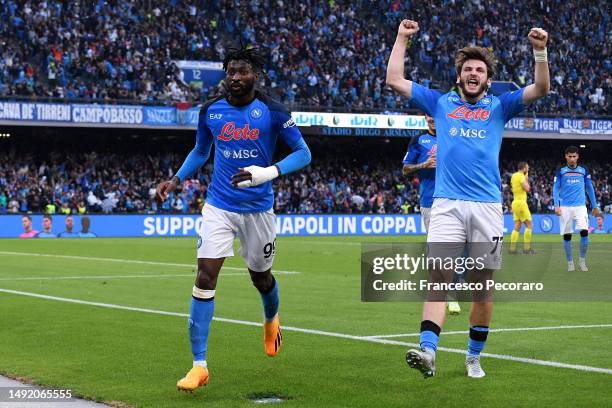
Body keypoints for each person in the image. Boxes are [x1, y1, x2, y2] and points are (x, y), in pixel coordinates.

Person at [386, 19, 549, 378]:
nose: (473, 73)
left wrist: (540, 51)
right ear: (459, 76)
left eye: (479, 70)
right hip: (446, 204)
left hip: (487, 208)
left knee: (482, 287)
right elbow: (395, 79)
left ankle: (473, 356)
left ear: (488, 79)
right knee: (439, 280)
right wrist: (401, 38)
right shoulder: (440, 103)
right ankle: (428, 351)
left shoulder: (499, 106)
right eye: (467, 69)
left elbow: (540, 87)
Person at [155, 45, 311, 392]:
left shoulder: (272, 111)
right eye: (231, 72)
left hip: (257, 210)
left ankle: (271, 319)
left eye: (243, 72)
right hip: (219, 206)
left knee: (262, 279)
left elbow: (304, 153)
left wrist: (268, 172)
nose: (236, 78)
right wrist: (176, 179)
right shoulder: (211, 110)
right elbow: (200, 150)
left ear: (256, 76)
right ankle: (199, 365)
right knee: (205, 275)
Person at [403, 114, 461, 315]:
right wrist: (424, 165)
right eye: (429, 114)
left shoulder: (454, 137)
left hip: (453, 199)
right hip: (430, 202)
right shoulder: (419, 140)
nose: (433, 118)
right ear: (425, 117)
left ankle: (451, 293)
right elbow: (405, 169)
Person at [553, 146, 601, 271]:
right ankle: (570, 263)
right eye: (570, 156)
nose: (572, 159)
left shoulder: (583, 170)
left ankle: (582, 261)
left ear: (578, 156)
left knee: (584, 232)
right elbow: (555, 188)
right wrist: (556, 205)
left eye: (574, 156)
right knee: (567, 236)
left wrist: (595, 206)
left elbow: (589, 188)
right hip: (565, 207)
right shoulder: (561, 170)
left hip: (580, 207)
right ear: (566, 156)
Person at [509, 162, 535, 254]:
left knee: (517, 226)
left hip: (515, 202)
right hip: (521, 203)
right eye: (527, 168)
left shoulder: (513, 176)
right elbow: (527, 189)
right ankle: (526, 249)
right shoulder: (521, 176)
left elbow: (514, 188)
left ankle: (512, 249)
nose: (528, 169)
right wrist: (526, 179)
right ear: (524, 168)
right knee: (529, 225)